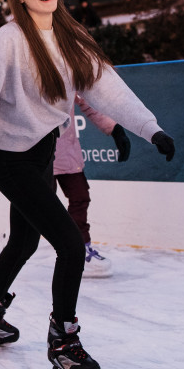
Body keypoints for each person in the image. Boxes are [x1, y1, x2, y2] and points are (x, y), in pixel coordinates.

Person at [0, 0, 175, 369]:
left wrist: (149, 128)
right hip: (11, 161)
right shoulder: (8, 41)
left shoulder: (69, 35)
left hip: (42, 154)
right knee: (68, 243)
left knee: (25, 240)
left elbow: (108, 87)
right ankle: (63, 342)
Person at [53, 96, 133, 279]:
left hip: (67, 153)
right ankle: (16, 245)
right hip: (37, 154)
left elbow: (89, 102)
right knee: (37, 206)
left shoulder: (68, 72)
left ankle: (81, 251)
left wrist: (115, 129)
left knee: (80, 197)